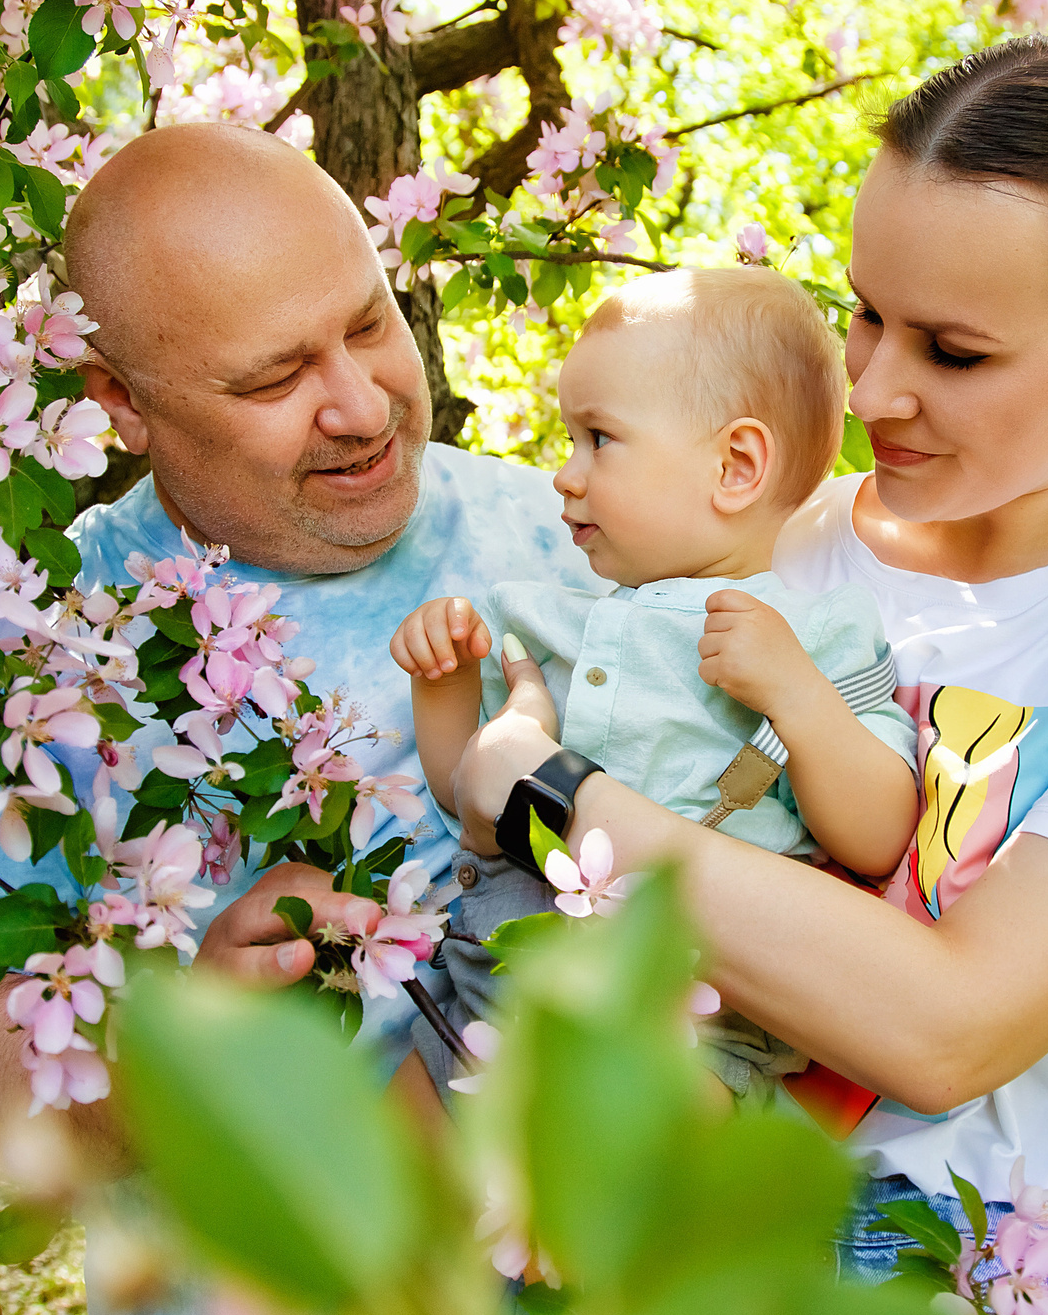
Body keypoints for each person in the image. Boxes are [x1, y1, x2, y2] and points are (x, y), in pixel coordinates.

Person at [445, 39, 1048, 1315]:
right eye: (864, 311)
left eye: (956, 351)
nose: (871, 390)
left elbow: (945, 1024)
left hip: (921, 1268)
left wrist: (546, 797)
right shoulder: (751, 537)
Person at [0, 124, 611, 1315]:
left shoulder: (588, 534)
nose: (364, 404)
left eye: (369, 323)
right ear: (118, 398)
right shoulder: (18, 657)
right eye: (275, 375)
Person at [388, 268, 919, 1105]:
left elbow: (880, 831)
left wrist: (799, 695)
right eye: (569, 439)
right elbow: (480, 806)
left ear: (736, 466)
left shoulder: (817, 635)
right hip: (488, 996)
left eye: (598, 439)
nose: (565, 473)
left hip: (685, 1040)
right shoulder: (559, 623)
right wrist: (445, 684)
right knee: (375, 1206)